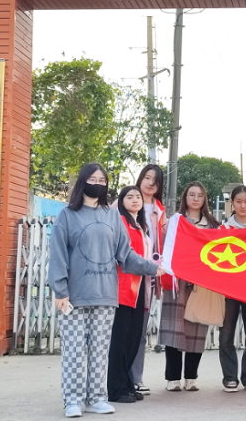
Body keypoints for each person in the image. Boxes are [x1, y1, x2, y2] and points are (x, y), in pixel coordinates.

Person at [48, 163, 164, 418]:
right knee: (74, 351)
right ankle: (73, 399)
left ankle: (97, 397)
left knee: (100, 350)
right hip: (75, 296)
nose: (98, 184)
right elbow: (57, 255)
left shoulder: (112, 216)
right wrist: (60, 290)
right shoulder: (67, 215)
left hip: (106, 296)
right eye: (93, 179)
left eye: (102, 180)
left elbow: (125, 255)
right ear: (83, 182)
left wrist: (151, 267)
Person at [159, 182, 221, 392]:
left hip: (201, 283)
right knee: (174, 328)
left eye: (200, 195)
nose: (195, 199)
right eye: (191, 195)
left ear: (205, 199)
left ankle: (191, 377)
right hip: (176, 281)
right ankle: (173, 378)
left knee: (197, 329)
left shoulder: (213, 225)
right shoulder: (174, 222)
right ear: (184, 197)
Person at [107, 186, 155, 403]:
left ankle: (127, 384)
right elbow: (126, 256)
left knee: (133, 338)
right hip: (123, 288)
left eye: (138, 197)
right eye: (129, 197)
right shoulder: (120, 222)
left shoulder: (141, 226)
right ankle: (115, 388)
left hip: (140, 288)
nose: (135, 200)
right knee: (120, 340)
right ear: (121, 201)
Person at [219, 185, 246, 393]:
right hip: (229, 289)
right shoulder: (224, 229)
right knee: (226, 333)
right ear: (232, 204)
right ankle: (229, 377)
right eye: (238, 202)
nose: (243, 206)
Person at [129, 163, 166, 396]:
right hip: (125, 277)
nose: (151, 183)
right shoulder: (123, 203)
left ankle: (136, 378)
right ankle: (118, 378)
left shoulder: (160, 212)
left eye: (156, 180)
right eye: (147, 177)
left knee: (140, 331)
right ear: (140, 178)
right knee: (122, 330)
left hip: (148, 279)